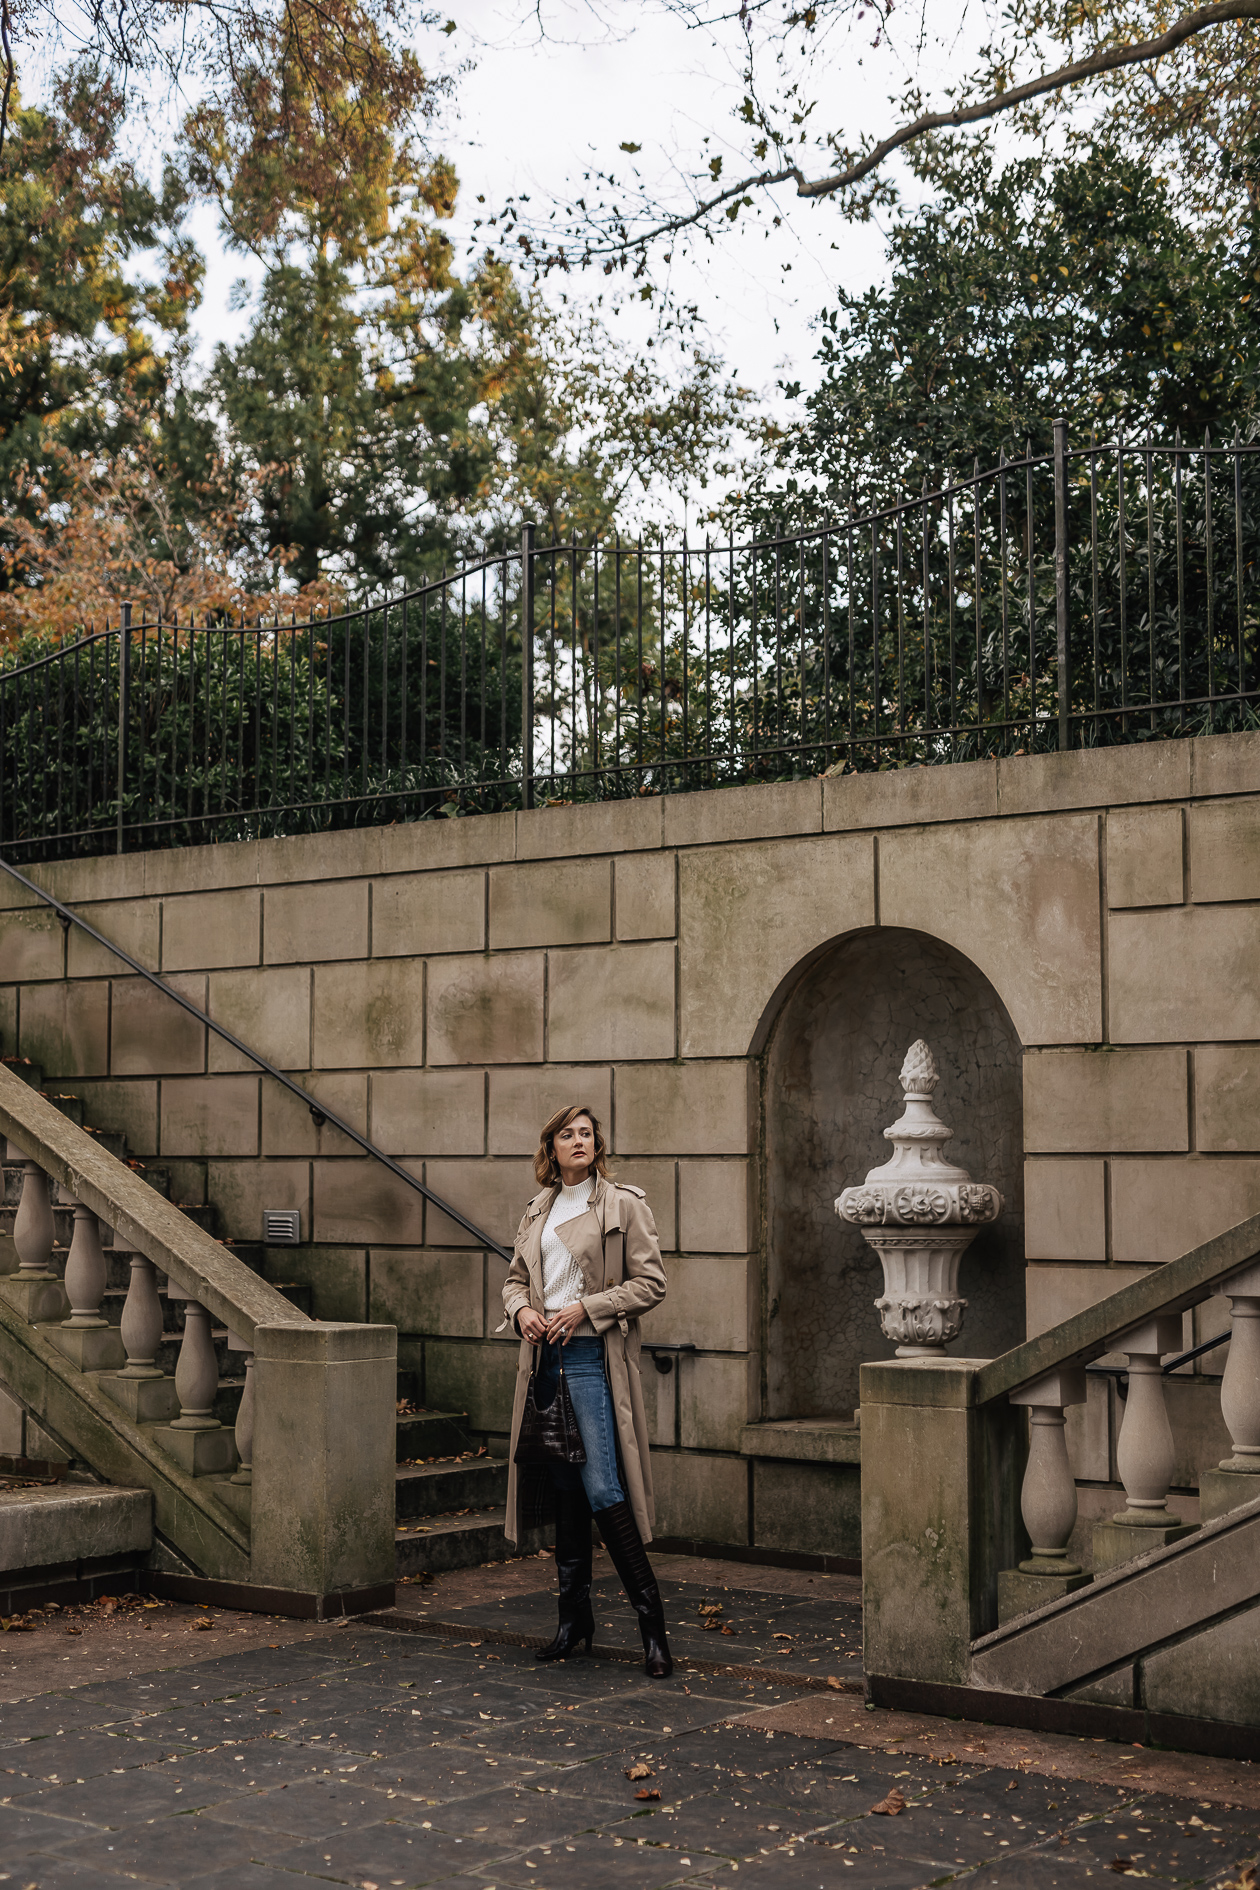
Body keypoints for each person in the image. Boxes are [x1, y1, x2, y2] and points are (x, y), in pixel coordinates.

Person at [500, 1104, 671, 1678]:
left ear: (598, 1145)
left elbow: (651, 1283)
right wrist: (522, 1308)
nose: (579, 1141)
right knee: (567, 1488)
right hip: (543, 1359)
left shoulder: (622, 1204)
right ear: (550, 1148)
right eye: (566, 1134)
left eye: (587, 1134)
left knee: (600, 1485)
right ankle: (574, 1624)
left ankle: (653, 1629)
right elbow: (515, 1279)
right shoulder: (538, 1209)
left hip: (591, 1358)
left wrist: (587, 1308)